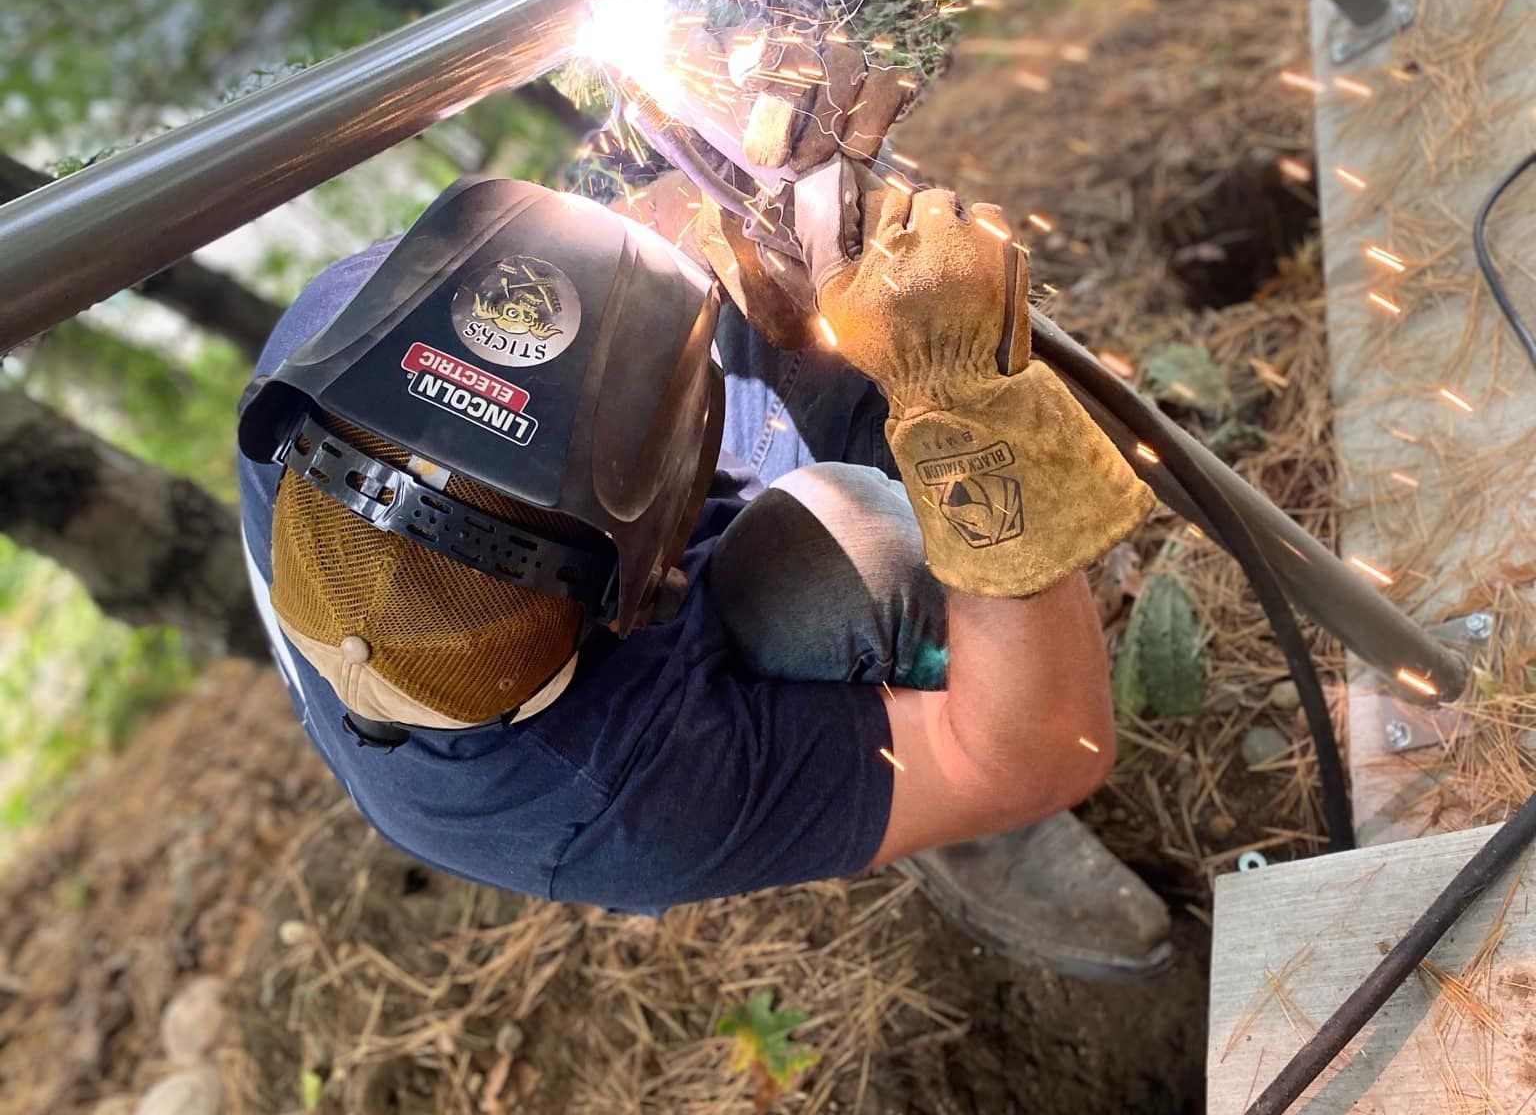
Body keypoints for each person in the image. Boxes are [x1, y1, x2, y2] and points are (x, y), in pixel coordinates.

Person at [236, 146, 1172, 982]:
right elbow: (1041, 752)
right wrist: (964, 411)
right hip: (620, 733)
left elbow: (598, 223)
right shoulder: (610, 795)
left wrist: (721, 180)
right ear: (638, 590)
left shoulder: (342, 339)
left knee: (745, 270)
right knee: (857, 554)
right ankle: (923, 794)